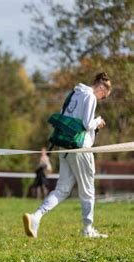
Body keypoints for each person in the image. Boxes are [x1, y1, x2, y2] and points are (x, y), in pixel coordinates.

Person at [23, 72, 111, 238]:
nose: (101, 99)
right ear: (100, 87)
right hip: (80, 148)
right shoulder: (90, 96)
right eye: (103, 96)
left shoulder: (75, 93)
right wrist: (98, 121)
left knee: (62, 189)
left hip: (64, 146)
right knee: (88, 190)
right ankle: (88, 230)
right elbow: (86, 124)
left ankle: (36, 217)